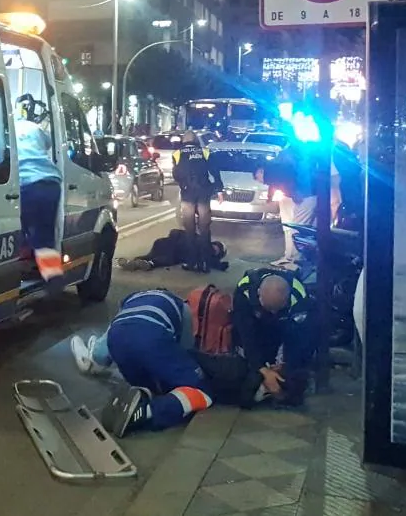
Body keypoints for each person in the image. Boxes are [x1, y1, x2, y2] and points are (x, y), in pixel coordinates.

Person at [70, 289, 214, 438]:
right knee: (201, 390)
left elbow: (101, 355)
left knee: (152, 385)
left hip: (118, 340)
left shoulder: (128, 307)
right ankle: (145, 412)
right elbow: (186, 350)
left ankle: (134, 399)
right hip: (152, 337)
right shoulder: (181, 307)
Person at [232, 268, 316, 405]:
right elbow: (245, 333)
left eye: (277, 308)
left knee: (295, 370)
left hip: (286, 324)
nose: (273, 312)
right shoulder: (244, 290)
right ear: (258, 294)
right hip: (256, 324)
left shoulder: (299, 295)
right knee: (250, 366)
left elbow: (301, 336)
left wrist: (287, 364)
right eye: (269, 308)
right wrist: (262, 368)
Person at [15, 97, 63, 280]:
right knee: (44, 231)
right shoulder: (35, 128)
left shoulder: (7, 129)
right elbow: (48, 144)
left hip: (27, 182)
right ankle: (51, 276)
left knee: (21, 227)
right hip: (50, 182)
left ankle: (35, 271)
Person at [172, 131, 224, 273]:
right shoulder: (205, 152)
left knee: (189, 229)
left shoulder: (177, 153)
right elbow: (214, 172)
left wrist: (184, 183)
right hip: (203, 194)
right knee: (205, 228)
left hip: (188, 194)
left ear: (183, 141)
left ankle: (192, 262)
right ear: (196, 141)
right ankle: (206, 262)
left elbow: (175, 174)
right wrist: (219, 190)